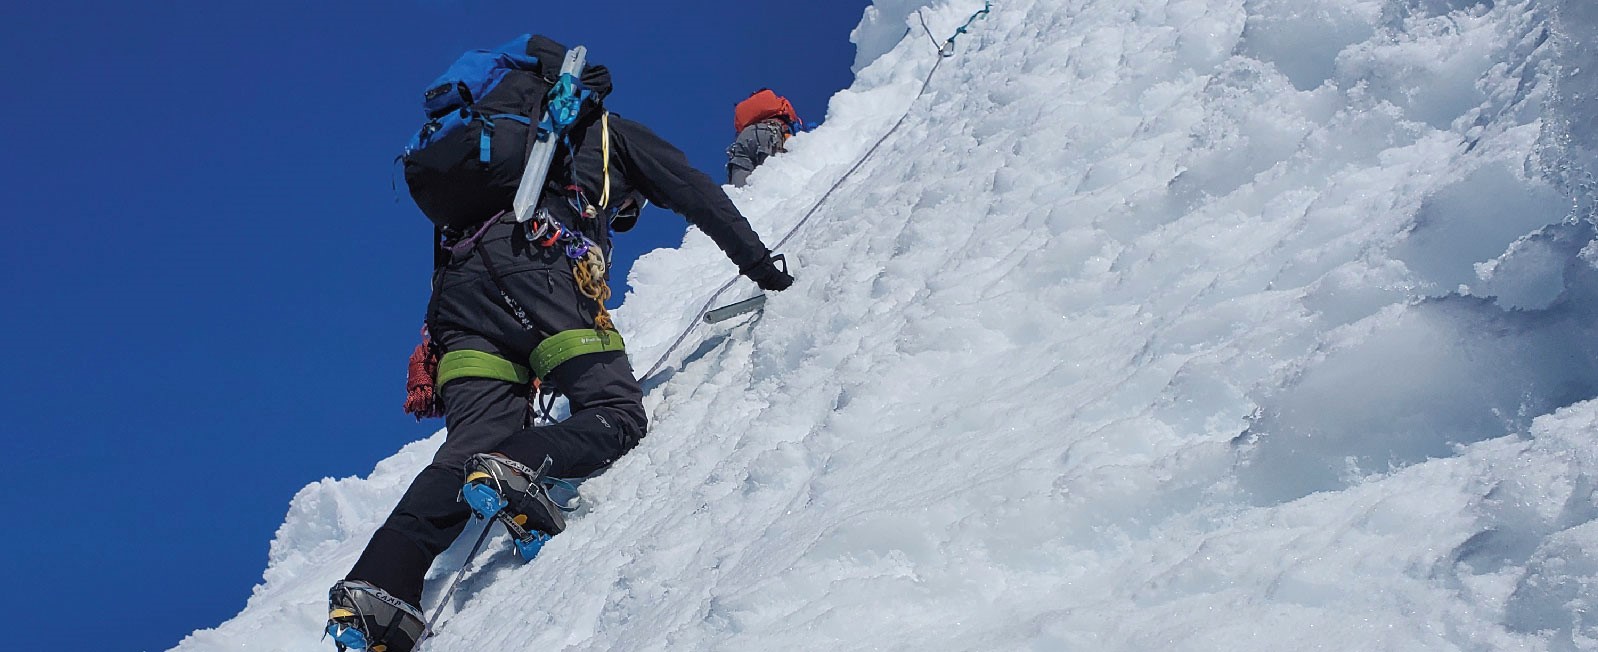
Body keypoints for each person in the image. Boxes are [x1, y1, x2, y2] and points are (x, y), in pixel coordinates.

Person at [324, 35, 794, 652]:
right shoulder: (607, 133)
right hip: (544, 269)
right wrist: (764, 268)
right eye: (624, 210)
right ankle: (519, 465)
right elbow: (697, 193)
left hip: (458, 309)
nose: (621, 216)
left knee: (464, 449)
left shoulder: (491, 161)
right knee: (616, 412)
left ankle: (376, 590)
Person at [726, 88, 802, 187]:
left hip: (744, 138)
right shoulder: (778, 102)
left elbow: (739, 129)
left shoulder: (743, 109)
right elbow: (793, 123)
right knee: (771, 176)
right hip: (769, 130)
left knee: (740, 188)